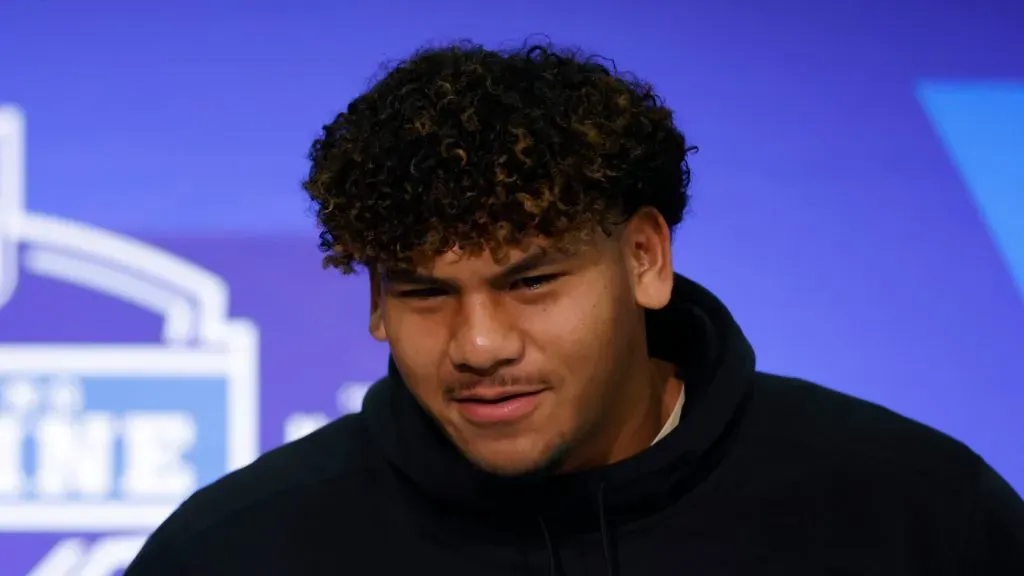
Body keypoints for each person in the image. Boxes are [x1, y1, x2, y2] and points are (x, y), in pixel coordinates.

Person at [125, 41, 1024, 575]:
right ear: (376, 306)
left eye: (530, 282)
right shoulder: (238, 552)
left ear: (644, 258)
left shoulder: (910, 511)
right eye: (427, 293)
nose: (478, 345)